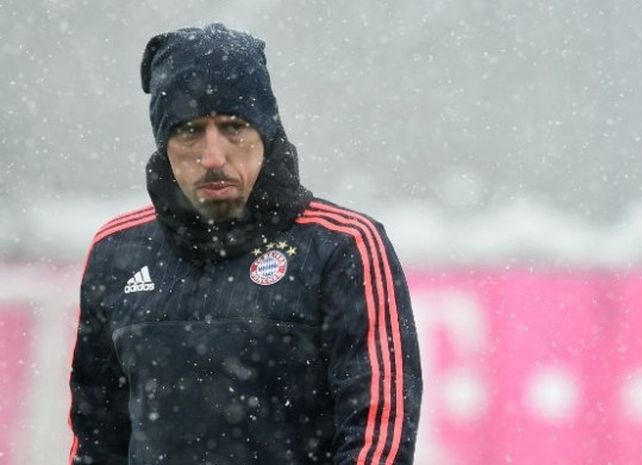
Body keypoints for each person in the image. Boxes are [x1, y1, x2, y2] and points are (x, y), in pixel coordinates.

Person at [69, 23, 422, 465]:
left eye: (233, 127)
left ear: (266, 133)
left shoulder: (343, 245)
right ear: (164, 145)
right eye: (190, 131)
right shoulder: (116, 251)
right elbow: (96, 438)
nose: (213, 156)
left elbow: (378, 435)